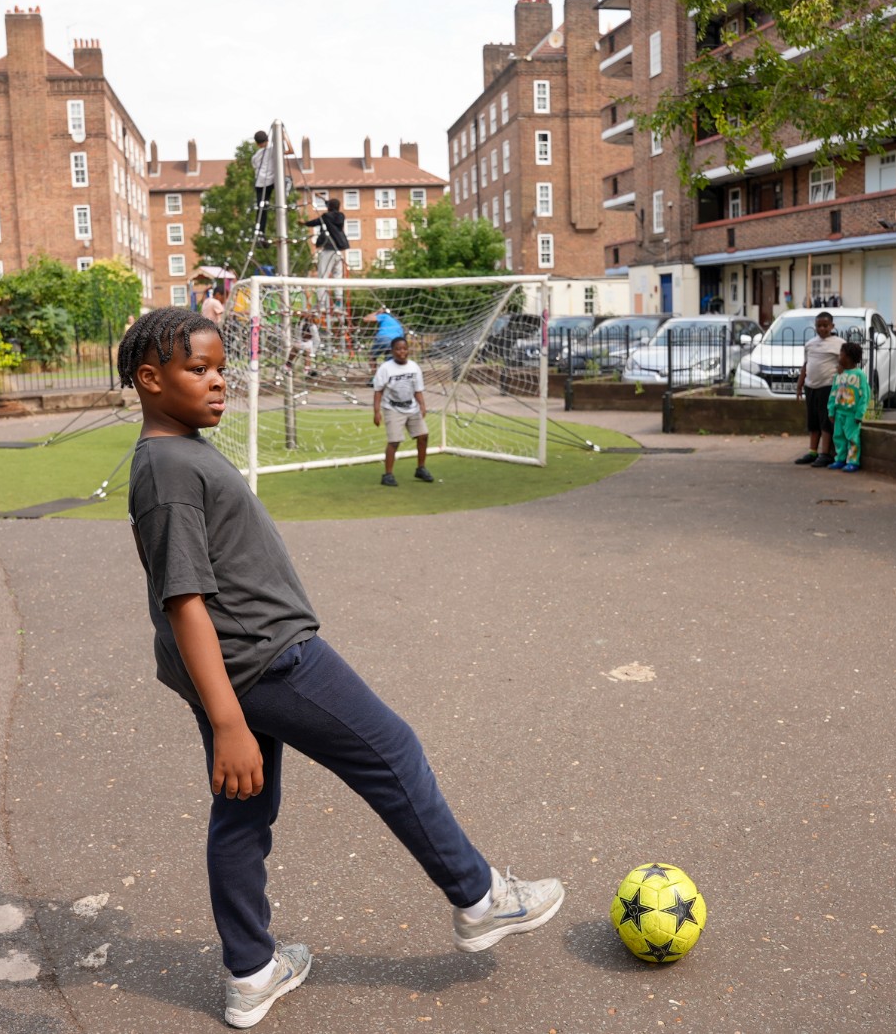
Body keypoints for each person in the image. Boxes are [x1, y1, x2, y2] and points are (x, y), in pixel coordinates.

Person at [117, 307, 562, 1028]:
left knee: (243, 811)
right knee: (393, 751)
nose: (219, 381)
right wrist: (228, 718)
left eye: (221, 367)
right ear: (149, 379)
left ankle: (251, 970)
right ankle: (479, 898)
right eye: (197, 369)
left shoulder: (180, 451)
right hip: (269, 660)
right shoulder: (168, 468)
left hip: (239, 664)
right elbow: (184, 601)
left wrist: (227, 710)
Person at [372, 336, 433, 487]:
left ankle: (421, 468)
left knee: (423, 436)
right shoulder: (386, 368)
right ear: (392, 351)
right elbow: (378, 391)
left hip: (411, 407)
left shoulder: (414, 367)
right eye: (398, 349)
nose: (402, 352)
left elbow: (418, 389)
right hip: (393, 408)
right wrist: (376, 411)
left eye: (404, 349)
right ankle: (387, 474)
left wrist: (422, 405)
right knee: (394, 441)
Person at [793, 311, 844, 467]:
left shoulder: (839, 343)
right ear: (815, 326)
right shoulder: (810, 344)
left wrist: (842, 385)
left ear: (832, 326)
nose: (822, 329)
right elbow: (806, 365)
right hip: (811, 387)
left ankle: (825, 453)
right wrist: (800, 384)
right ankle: (812, 451)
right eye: (819, 326)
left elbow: (844, 365)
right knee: (813, 421)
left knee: (826, 421)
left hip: (828, 387)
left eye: (825, 325)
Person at [826, 341, 871, 473]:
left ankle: (853, 461)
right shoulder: (839, 374)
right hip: (839, 412)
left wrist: (859, 414)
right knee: (838, 437)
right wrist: (831, 410)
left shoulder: (859, 375)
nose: (839, 357)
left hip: (852, 414)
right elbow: (833, 392)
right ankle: (840, 459)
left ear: (849, 357)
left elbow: (865, 396)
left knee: (852, 438)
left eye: (841, 354)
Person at [301, 198, 348, 313]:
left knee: (323, 277)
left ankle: (321, 304)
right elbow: (333, 209)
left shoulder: (326, 217)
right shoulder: (341, 216)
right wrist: (326, 202)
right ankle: (338, 304)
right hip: (338, 250)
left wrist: (304, 223)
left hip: (328, 249)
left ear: (329, 208)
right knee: (338, 278)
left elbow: (315, 222)